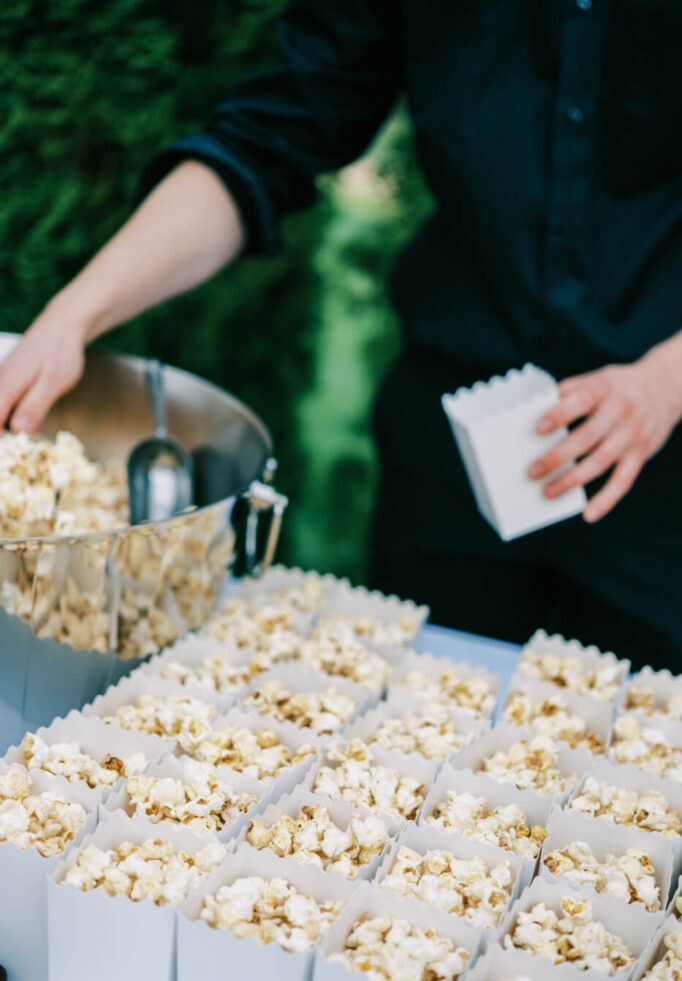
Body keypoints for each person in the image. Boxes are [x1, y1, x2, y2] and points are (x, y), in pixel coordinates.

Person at [1, 1, 681, 670]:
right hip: (452, 435)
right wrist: (72, 316)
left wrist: (665, 382)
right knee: (410, 725)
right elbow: (270, 136)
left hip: (667, 467)